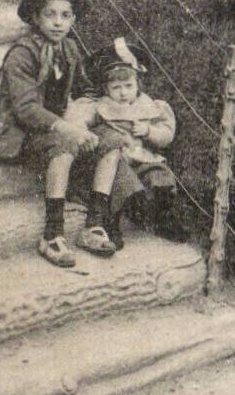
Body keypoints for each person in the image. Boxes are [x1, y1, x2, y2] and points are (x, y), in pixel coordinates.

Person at [0, 0, 122, 267]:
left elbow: (85, 90)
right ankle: (52, 234)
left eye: (65, 15)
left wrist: (81, 116)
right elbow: (26, 109)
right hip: (21, 132)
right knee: (64, 146)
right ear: (36, 18)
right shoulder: (22, 54)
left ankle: (93, 225)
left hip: (58, 126)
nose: (58, 22)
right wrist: (67, 128)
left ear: (73, 20)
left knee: (111, 141)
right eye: (50, 15)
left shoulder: (69, 49)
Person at [66, 38, 187, 250]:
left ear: (138, 83)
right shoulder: (101, 106)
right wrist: (83, 131)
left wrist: (149, 131)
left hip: (142, 155)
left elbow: (167, 134)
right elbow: (78, 118)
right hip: (118, 160)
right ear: (106, 88)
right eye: (116, 87)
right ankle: (111, 224)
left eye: (128, 86)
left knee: (161, 176)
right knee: (123, 184)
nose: (123, 93)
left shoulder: (148, 105)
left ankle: (162, 218)